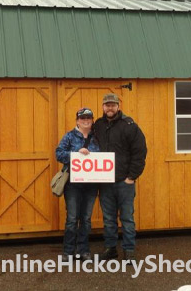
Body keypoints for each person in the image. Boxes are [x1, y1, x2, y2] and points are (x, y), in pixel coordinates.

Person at [93, 93, 147, 262]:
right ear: (103, 107)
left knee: (127, 218)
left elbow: (140, 152)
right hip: (105, 182)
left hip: (124, 182)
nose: (110, 108)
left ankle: (129, 250)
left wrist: (131, 177)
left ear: (118, 106)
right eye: (107, 105)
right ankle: (110, 249)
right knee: (108, 218)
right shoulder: (98, 125)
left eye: (113, 105)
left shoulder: (129, 125)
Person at [55, 107, 99, 261]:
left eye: (88, 118)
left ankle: (84, 250)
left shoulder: (97, 137)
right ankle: (68, 251)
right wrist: (75, 154)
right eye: (82, 118)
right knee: (72, 218)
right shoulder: (69, 136)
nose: (86, 121)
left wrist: (93, 155)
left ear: (92, 120)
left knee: (86, 219)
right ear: (77, 121)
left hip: (91, 184)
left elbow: (105, 154)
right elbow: (58, 153)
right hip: (73, 184)